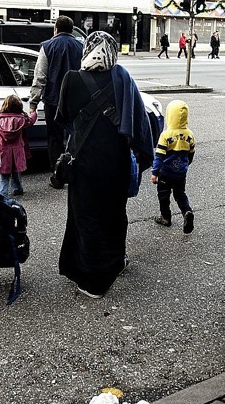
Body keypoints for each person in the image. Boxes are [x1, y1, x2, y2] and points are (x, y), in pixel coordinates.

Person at [56, 31, 154, 299]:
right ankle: (116, 262)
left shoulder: (72, 79)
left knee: (86, 217)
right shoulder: (123, 78)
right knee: (114, 215)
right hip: (116, 163)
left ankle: (94, 281)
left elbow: (63, 117)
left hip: (84, 164)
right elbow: (139, 123)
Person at [30, 15, 83, 189]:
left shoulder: (47, 46)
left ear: (56, 29)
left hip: (53, 101)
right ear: (72, 30)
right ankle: (76, 172)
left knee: (54, 138)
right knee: (76, 136)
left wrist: (33, 103)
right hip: (76, 101)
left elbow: (40, 77)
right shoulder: (81, 47)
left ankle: (58, 175)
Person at [151, 100, 195, 233]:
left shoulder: (166, 135)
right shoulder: (189, 134)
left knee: (163, 196)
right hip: (181, 173)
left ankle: (166, 218)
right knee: (180, 194)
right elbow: (191, 153)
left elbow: (159, 156)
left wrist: (154, 172)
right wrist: (185, 165)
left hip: (165, 173)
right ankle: (187, 211)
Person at [0, 94, 37, 197]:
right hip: (17, 150)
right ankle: (17, 189)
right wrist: (33, 112)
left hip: (3, 150)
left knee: (4, 175)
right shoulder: (21, 119)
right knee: (16, 172)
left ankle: (2, 194)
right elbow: (31, 121)